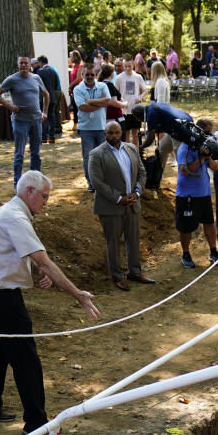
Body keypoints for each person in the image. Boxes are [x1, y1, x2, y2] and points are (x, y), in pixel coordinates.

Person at [0, 170, 100, 433]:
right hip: (2, 296)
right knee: (25, 359)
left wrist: (35, 271)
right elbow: (44, 260)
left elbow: (13, 253)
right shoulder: (16, 218)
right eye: (44, 196)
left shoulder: (8, 211)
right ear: (30, 191)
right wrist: (78, 295)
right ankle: (36, 422)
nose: (46, 202)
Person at [88, 121, 154, 290]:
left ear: (122, 133)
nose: (114, 136)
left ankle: (135, 272)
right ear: (105, 133)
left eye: (117, 133)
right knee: (113, 242)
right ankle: (117, 276)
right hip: (111, 207)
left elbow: (142, 172)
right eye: (110, 133)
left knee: (133, 239)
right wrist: (119, 198)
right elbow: (97, 182)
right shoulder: (97, 154)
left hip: (132, 204)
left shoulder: (131, 148)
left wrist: (137, 192)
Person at [0, 55, 50, 187]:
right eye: (21, 63)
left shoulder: (36, 78)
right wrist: (9, 105)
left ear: (31, 65)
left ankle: (36, 181)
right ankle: (17, 183)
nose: (23, 65)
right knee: (19, 153)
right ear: (17, 65)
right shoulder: (12, 79)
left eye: (26, 63)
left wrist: (45, 112)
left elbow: (46, 94)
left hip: (36, 120)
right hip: (20, 121)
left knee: (36, 153)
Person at [174, 119, 218, 268]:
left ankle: (213, 251)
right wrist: (201, 157)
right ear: (199, 131)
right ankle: (186, 254)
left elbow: (215, 167)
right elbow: (185, 171)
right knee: (186, 227)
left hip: (204, 193)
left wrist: (209, 156)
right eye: (207, 132)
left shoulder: (204, 146)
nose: (209, 135)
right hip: (187, 195)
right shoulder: (185, 148)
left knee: (209, 223)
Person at [74, 65, 126, 192]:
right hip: (86, 129)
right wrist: (100, 103)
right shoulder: (78, 89)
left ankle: (103, 182)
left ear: (95, 75)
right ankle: (91, 182)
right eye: (87, 75)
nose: (90, 77)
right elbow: (83, 107)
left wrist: (90, 101)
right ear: (83, 76)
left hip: (101, 128)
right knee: (88, 156)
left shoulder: (102, 86)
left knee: (104, 156)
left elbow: (108, 100)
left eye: (92, 74)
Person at [36, 56, 61, 143]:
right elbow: (55, 84)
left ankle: (43, 137)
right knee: (52, 116)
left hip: (43, 97)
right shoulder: (53, 71)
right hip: (52, 96)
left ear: (41, 62)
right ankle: (52, 137)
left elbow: (38, 85)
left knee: (43, 116)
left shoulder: (40, 71)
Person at [67, 50, 84, 134]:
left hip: (79, 90)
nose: (69, 58)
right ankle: (75, 124)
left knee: (79, 108)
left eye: (71, 56)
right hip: (73, 89)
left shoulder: (80, 66)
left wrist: (70, 85)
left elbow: (79, 78)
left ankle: (81, 125)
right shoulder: (73, 66)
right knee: (74, 108)